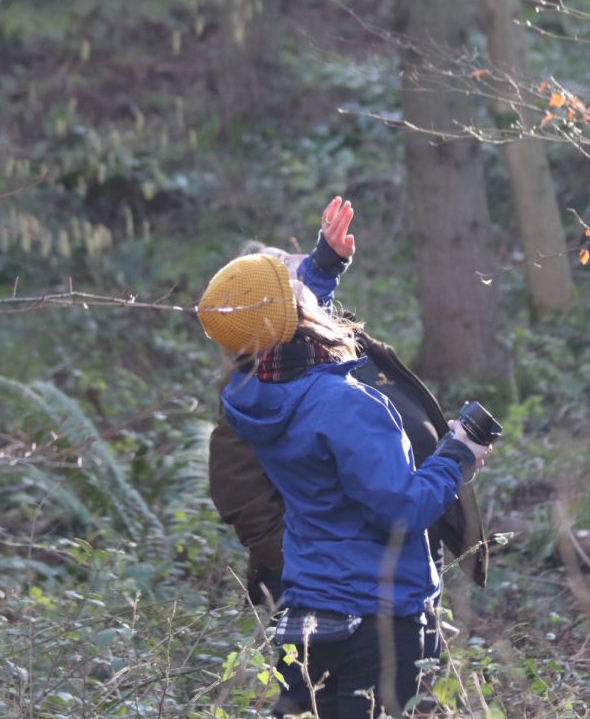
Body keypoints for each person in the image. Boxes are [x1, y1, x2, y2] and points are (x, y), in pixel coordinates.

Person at [197, 199, 492, 718]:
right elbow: (402, 511)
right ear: (296, 313)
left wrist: (323, 267)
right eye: (294, 283)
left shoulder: (250, 395)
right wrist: (457, 456)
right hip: (379, 621)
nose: (301, 281)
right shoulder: (344, 404)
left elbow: (281, 329)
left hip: (307, 615)